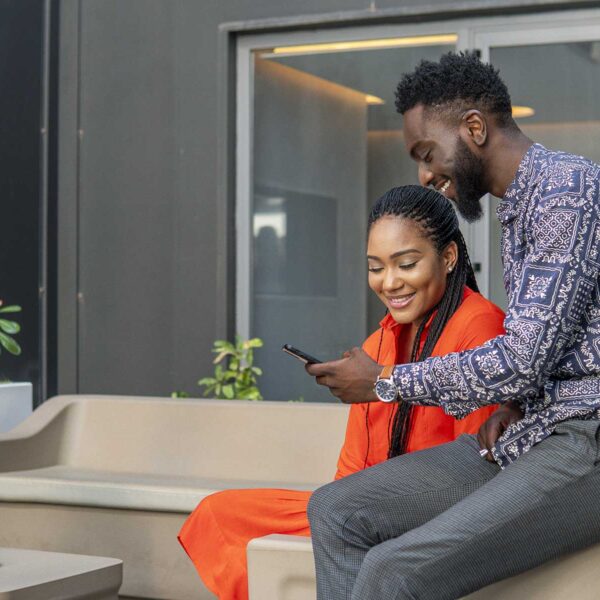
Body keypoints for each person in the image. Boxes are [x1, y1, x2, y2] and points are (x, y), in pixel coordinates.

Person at [306, 50, 600, 600]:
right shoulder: (521, 205)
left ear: (473, 128)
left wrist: (385, 383)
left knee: (393, 570)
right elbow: (562, 340)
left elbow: (522, 358)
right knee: (335, 509)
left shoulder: (565, 192)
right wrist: (517, 403)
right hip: (536, 429)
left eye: (427, 152)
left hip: (587, 441)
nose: (424, 173)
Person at [177, 185, 505, 600]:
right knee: (220, 514)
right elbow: (350, 473)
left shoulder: (482, 327)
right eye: (376, 267)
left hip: (438, 514)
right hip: (362, 508)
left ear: (448, 257)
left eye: (406, 264)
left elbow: (479, 474)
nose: (390, 283)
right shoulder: (378, 344)